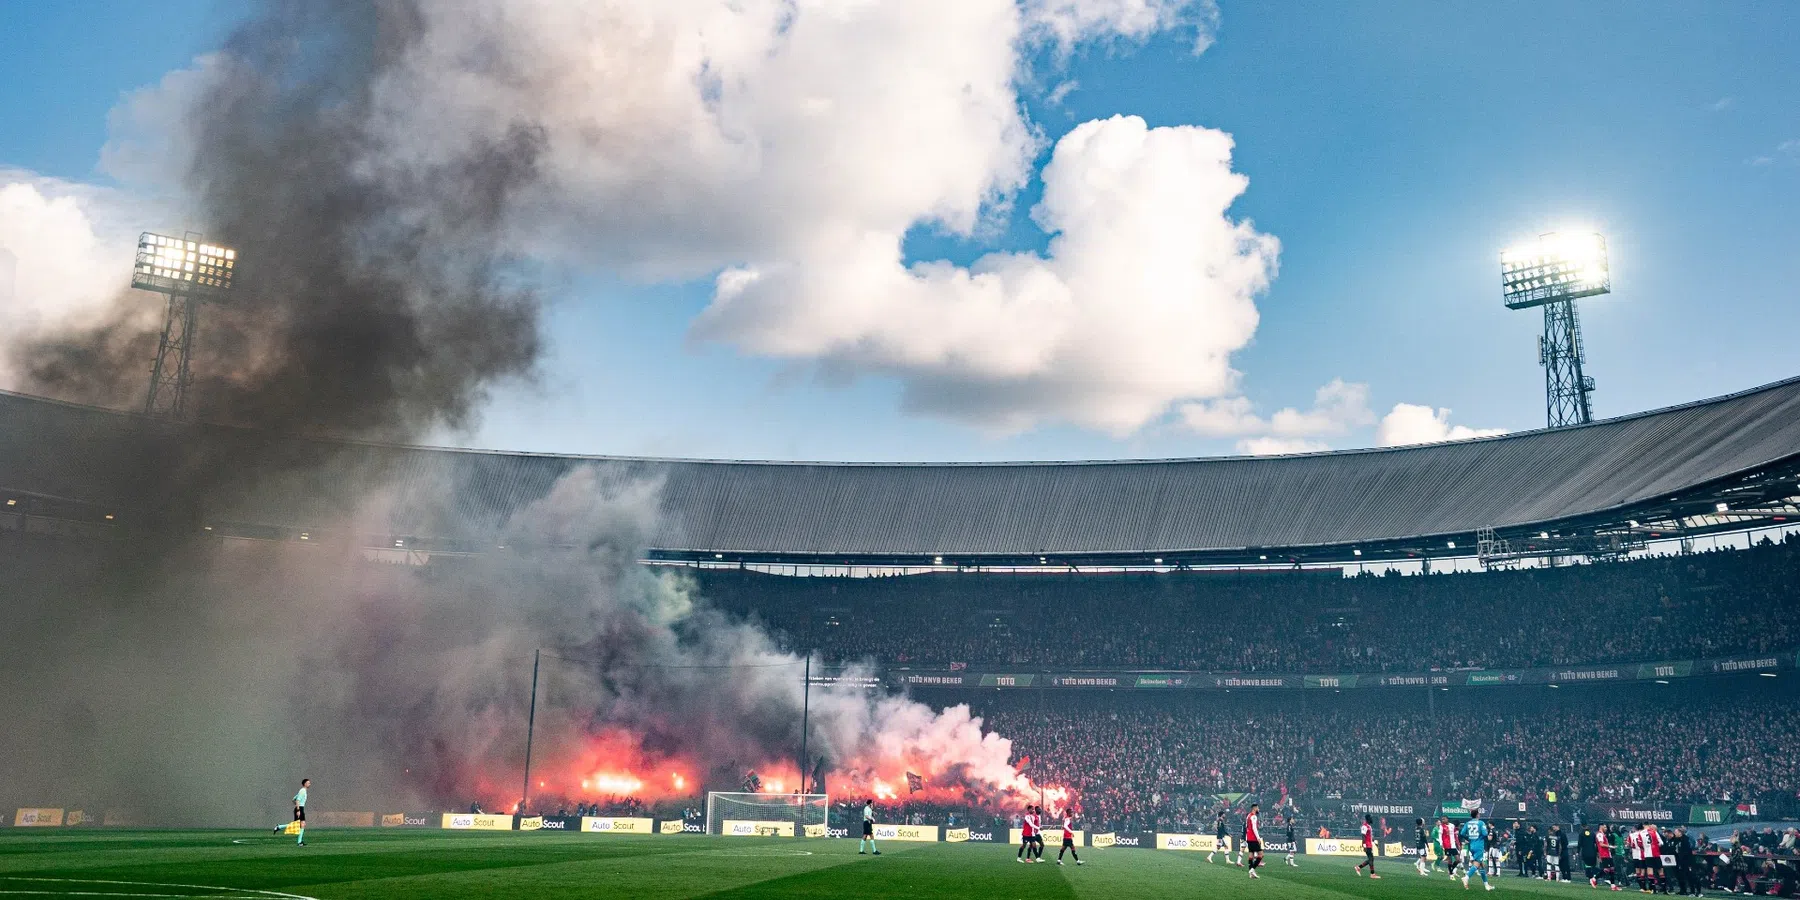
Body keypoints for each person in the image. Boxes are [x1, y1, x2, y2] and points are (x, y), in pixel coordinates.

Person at [1462, 811, 1494, 891]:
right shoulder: (1481, 823)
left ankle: (1487, 885)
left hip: (1472, 845)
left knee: (1482, 865)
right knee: (1477, 863)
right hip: (1479, 845)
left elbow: (1462, 833)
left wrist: (1469, 838)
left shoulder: (1467, 823)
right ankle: (1466, 877)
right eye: (1479, 814)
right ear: (1477, 815)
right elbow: (1484, 834)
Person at [273, 778, 309, 846]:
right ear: (305, 784)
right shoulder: (302, 791)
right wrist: (298, 809)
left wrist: (297, 806)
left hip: (300, 808)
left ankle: (279, 827)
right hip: (300, 808)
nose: (309, 784)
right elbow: (297, 800)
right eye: (308, 783)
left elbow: (294, 799)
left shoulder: (303, 791)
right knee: (300, 825)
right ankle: (299, 842)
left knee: (301, 825)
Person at [1355, 813, 1381, 878]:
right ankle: (1372, 874)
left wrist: (1374, 842)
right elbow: (1363, 836)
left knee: (1370, 859)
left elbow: (1370, 836)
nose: (1372, 819)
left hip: (1369, 845)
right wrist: (1364, 845)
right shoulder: (1364, 826)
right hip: (1367, 845)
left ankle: (1358, 867)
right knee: (1371, 859)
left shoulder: (1369, 826)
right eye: (1371, 818)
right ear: (1368, 819)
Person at [1243, 803, 1264, 879]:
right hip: (1253, 838)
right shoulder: (1254, 816)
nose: (1258, 809)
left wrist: (1246, 837)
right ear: (1254, 808)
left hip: (1248, 837)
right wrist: (1258, 838)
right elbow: (1254, 828)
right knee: (1261, 854)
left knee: (1251, 854)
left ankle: (1251, 874)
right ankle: (1252, 869)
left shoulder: (1248, 815)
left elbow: (1246, 826)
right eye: (1258, 808)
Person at [1439, 816, 1461, 880]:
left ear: (1447, 819)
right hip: (1446, 845)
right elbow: (1440, 835)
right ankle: (1451, 875)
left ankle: (1450, 870)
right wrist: (1441, 843)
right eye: (1442, 819)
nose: (1443, 820)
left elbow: (1455, 835)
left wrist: (1458, 843)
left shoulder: (1452, 825)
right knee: (1450, 860)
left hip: (1453, 845)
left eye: (1444, 819)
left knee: (1458, 860)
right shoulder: (1441, 826)